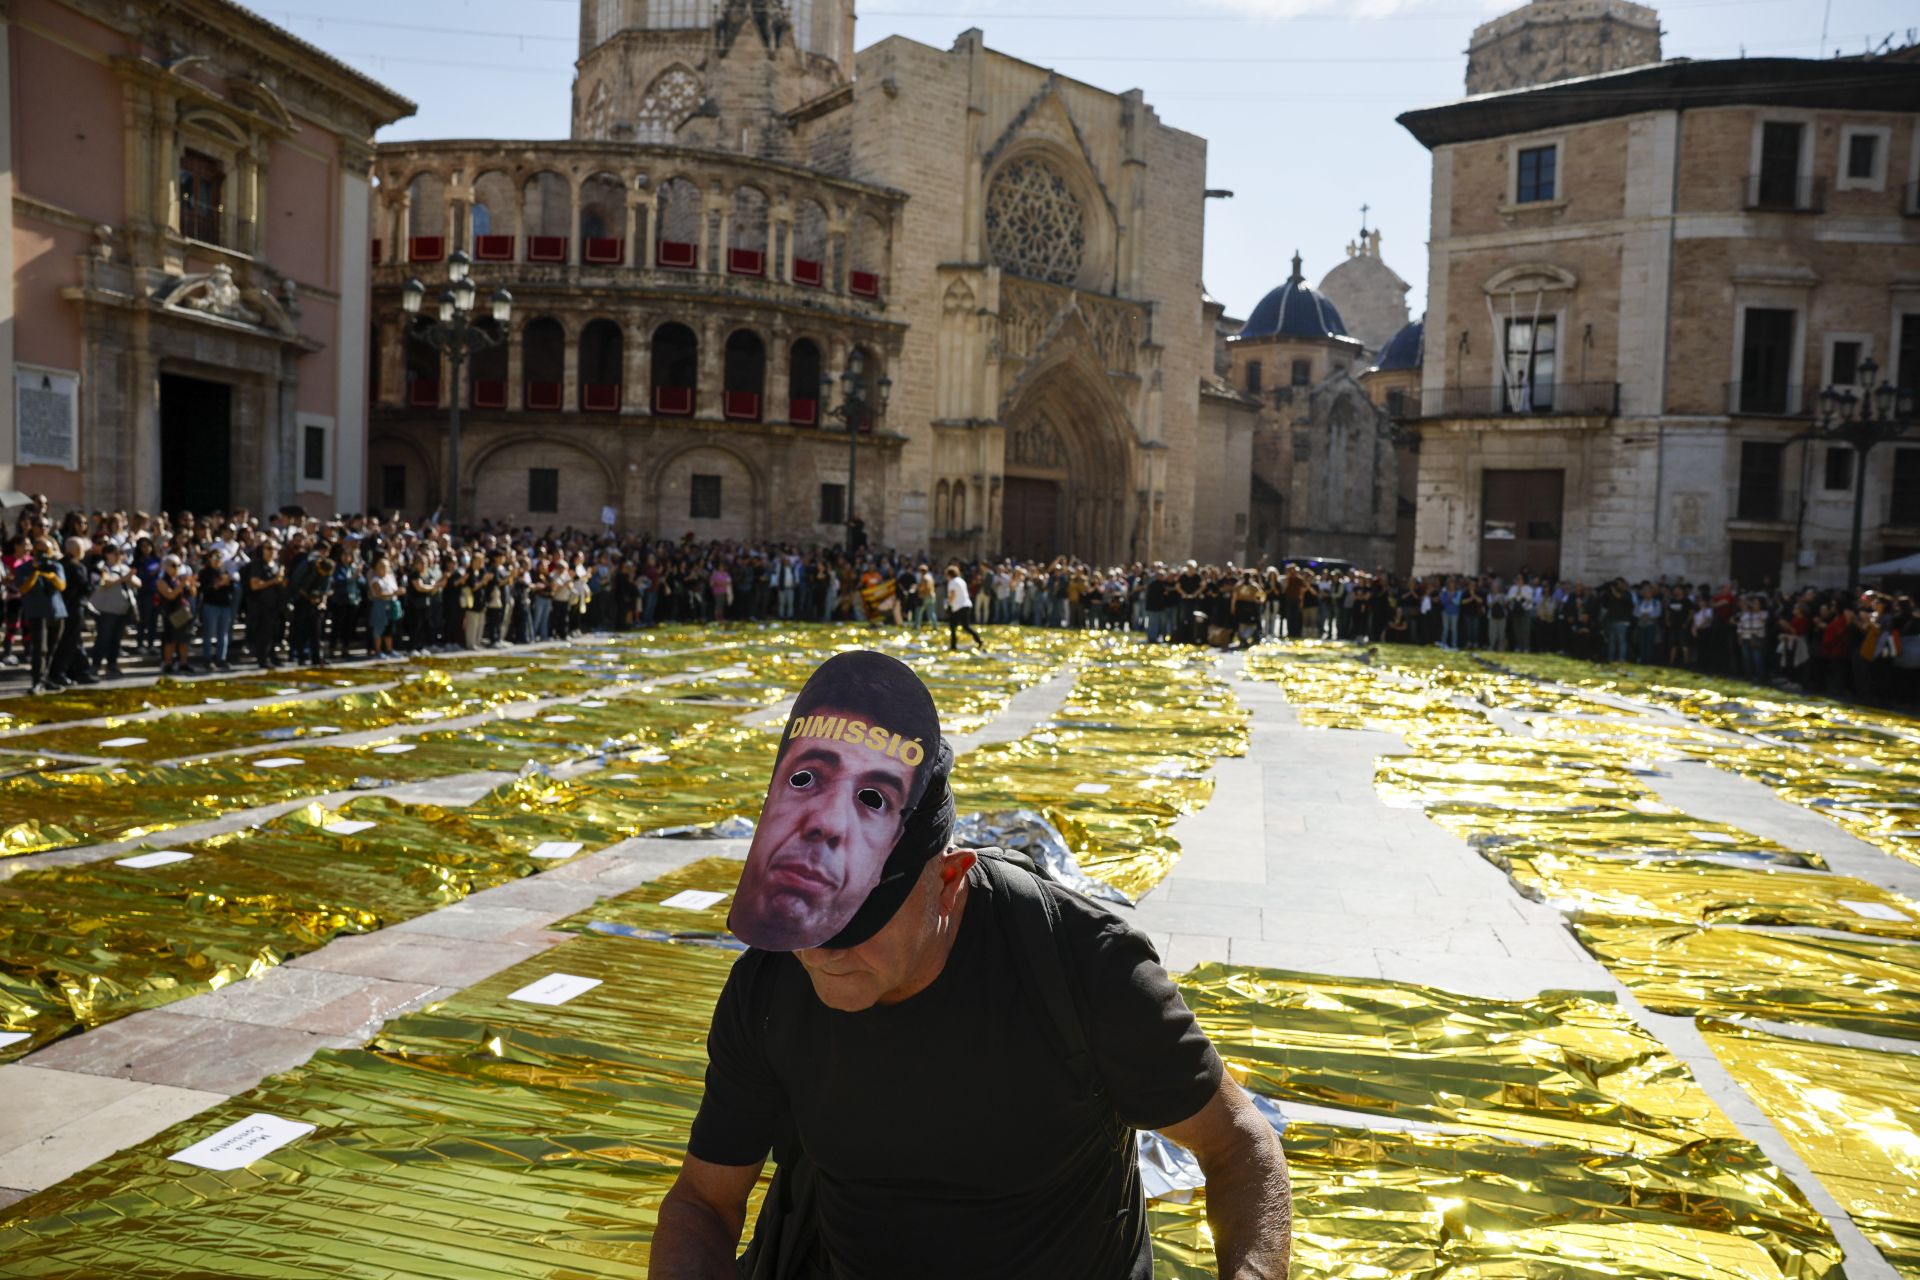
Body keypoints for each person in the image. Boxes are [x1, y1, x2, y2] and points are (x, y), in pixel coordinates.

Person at [654, 651, 1291, 1280]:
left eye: (860, 922)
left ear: (950, 880)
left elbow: (1239, 1146)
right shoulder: (770, 988)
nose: (823, 953)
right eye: (809, 918)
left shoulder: (1078, 962)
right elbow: (704, 1200)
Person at [15, 536, 68, 692]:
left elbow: (62, 586)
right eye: (40, 550)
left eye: (47, 549)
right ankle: (37, 681)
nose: (44, 553)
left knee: (52, 648)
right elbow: (23, 589)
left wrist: (50, 575)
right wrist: (36, 572)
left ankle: (46, 679)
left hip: (57, 612)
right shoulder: (23, 568)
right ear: (34, 551)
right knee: (40, 649)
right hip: (37, 613)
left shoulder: (56, 566)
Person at [88, 544, 138, 678]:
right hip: (106, 610)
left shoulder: (124, 568)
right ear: (106, 554)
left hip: (122, 610)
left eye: (119, 553)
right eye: (114, 553)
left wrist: (128, 577)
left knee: (116, 639)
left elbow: (138, 583)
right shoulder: (101, 567)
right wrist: (124, 578)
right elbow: (105, 583)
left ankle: (112, 665)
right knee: (103, 638)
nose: (118, 556)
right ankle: (95, 665)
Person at [153, 553, 196, 675]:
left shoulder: (179, 580)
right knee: (170, 640)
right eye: (173, 565)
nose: (177, 568)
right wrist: (182, 584)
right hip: (171, 613)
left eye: (179, 565)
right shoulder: (162, 581)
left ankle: (183, 663)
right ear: (166, 566)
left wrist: (192, 584)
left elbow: (192, 594)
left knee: (184, 640)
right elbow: (170, 595)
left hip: (184, 613)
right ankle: (168, 664)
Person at [198, 548, 236, 670]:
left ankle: (221, 658)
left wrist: (228, 583)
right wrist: (217, 585)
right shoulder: (204, 572)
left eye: (220, 557)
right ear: (209, 559)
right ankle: (207, 659)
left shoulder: (224, 571)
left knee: (223, 634)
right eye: (215, 557)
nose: (218, 560)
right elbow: (203, 590)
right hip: (211, 605)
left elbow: (232, 589)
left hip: (225, 605)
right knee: (208, 633)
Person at [944, 563, 984, 651]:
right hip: (966, 605)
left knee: (952, 626)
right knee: (966, 626)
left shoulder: (952, 582)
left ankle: (953, 646)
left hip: (959, 607)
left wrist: (947, 604)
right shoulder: (961, 580)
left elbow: (952, 595)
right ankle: (979, 640)